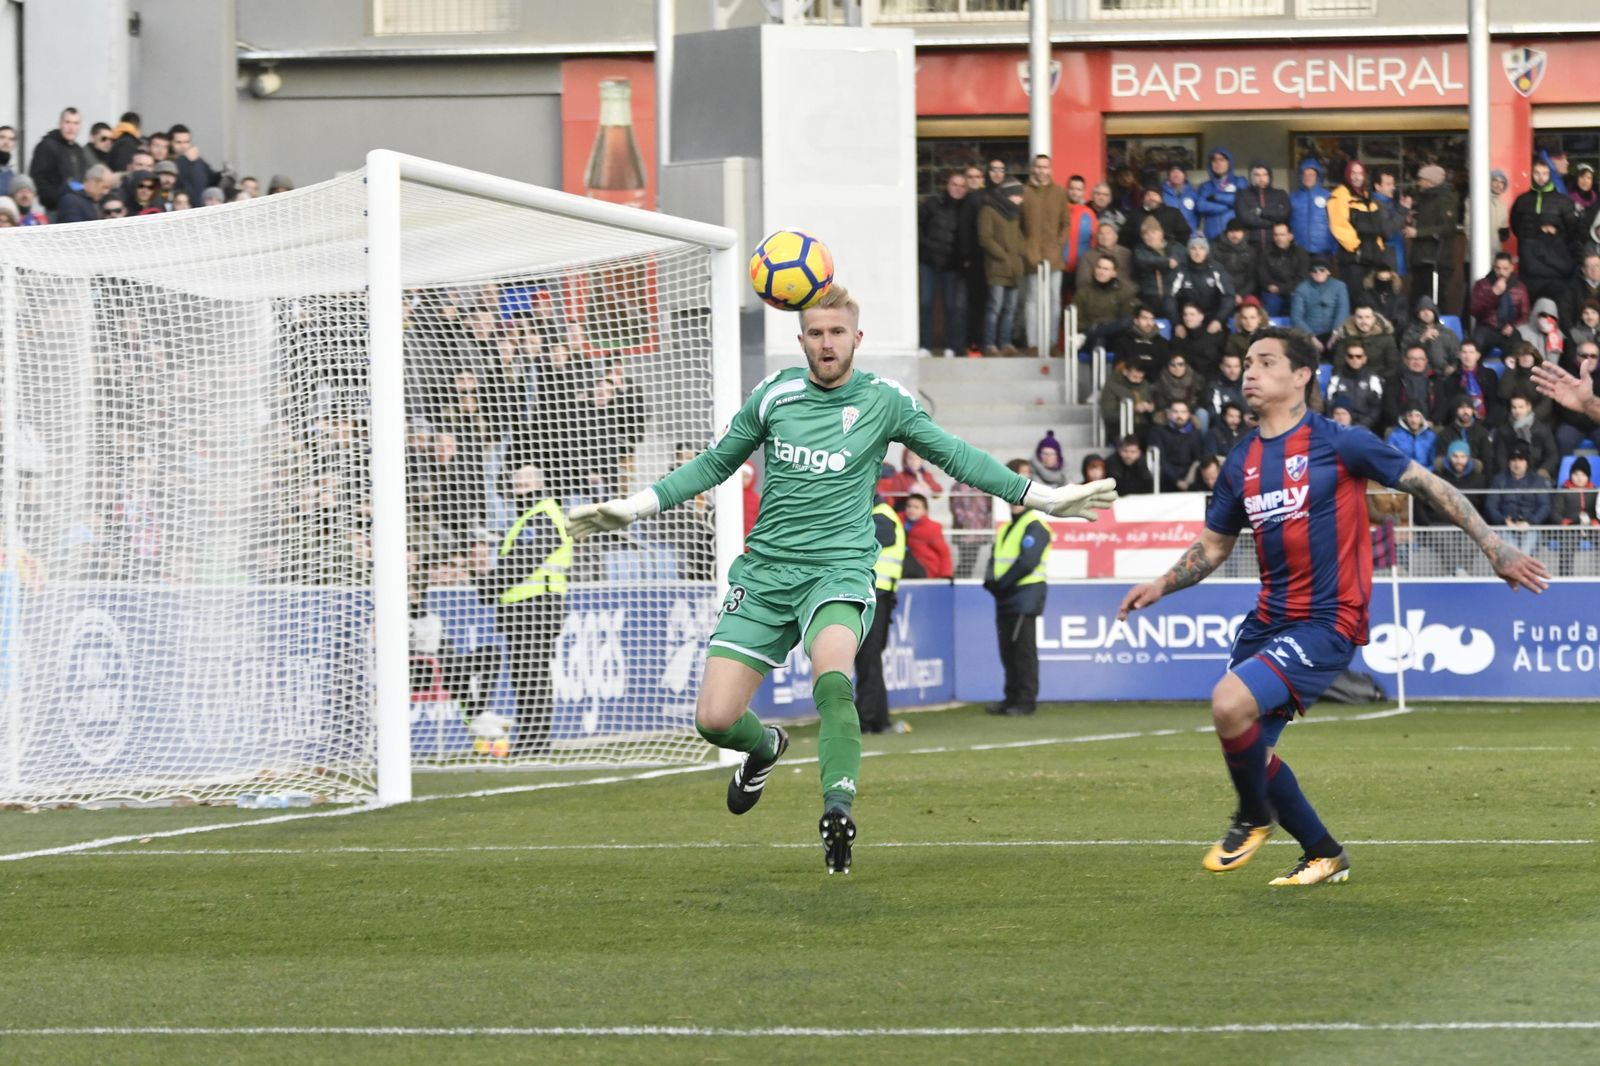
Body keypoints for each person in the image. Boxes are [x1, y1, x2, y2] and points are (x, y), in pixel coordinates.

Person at [565, 285, 1117, 875]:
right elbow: (715, 462)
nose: (826, 344)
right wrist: (638, 504)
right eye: (815, 333)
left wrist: (1046, 498)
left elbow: (956, 456)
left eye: (836, 333)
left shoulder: (885, 401)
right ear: (800, 339)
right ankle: (765, 748)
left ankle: (838, 809)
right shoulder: (773, 396)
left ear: (857, 338)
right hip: (766, 572)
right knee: (715, 720)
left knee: (833, 679)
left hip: (839, 570)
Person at [1117, 326, 1547, 887]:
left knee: (1228, 704)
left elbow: (1428, 484)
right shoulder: (1240, 460)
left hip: (1329, 619)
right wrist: (1161, 584)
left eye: (1265, 362)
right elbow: (1215, 545)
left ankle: (1252, 817)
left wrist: (1494, 546)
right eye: (1247, 362)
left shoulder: (1339, 441)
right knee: (1252, 751)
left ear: (1301, 377)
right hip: (1268, 618)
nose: (1250, 372)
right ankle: (1324, 853)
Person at [471, 462, 571, 758]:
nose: (519, 488)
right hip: (523, 607)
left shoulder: (542, 514)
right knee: (524, 674)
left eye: (525, 483)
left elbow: (526, 557)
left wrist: (489, 587)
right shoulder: (529, 516)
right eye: (516, 483)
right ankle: (529, 740)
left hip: (537, 606)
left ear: (539, 484)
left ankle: (535, 742)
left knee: (532, 674)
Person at [983, 458, 1053, 718]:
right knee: (1008, 651)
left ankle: (1025, 700)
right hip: (1007, 595)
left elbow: (1028, 562)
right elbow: (995, 558)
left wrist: (1001, 584)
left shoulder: (1035, 525)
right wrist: (991, 582)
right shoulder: (1007, 529)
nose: (1013, 502)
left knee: (1022, 650)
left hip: (1024, 594)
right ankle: (1011, 697)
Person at [854, 497, 904, 735]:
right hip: (877, 594)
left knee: (868, 658)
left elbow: (869, 542)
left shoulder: (881, 516)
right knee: (870, 659)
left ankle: (865, 717)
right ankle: (878, 718)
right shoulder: (881, 513)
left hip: (876, 595)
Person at [1512, 159, 1582, 303]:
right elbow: (1516, 226)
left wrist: (1556, 232)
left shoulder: (1563, 201)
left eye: (1545, 173)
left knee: (1554, 307)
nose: (1541, 177)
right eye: (1537, 173)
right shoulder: (1522, 200)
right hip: (1529, 264)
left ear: (1550, 175)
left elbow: (1572, 231)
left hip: (1554, 263)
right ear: (1531, 174)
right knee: (1528, 306)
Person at [919, 170, 972, 357]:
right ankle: (925, 346)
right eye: (954, 184)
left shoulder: (966, 209)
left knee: (952, 307)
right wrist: (927, 247)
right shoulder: (933, 204)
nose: (957, 189)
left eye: (961, 186)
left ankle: (951, 346)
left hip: (952, 266)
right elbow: (918, 227)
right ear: (947, 186)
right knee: (925, 304)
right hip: (928, 262)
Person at [1021, 154, 1069, 356]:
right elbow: (1018, 225)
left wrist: (1058, 244)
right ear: (1033, 169)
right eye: (1038, 167)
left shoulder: (1059, 192)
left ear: (1050, 169)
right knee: (1032, 300)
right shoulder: (1023, 191)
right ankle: (1032, 343)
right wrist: (1025, 248)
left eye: (1045, 167)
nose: (1041, 171)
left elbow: (1065, 223)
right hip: (1031, 255)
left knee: (1054, 300)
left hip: (1054, 257)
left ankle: (1051, 343)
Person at [977, 175, 1027, 355]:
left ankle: (1005, 343)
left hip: (1014, 269)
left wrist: (1022, 251)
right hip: (997, 268)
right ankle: (989, 344)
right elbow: (985, 238)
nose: (1021, 199)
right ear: (1009, 194)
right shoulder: (988, 211)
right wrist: (1003, 256)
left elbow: (1019, 238)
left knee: (1010, 309)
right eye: (1018, 195)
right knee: (995, 307)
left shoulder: (1014, 214)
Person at [1327, 160, 1388, 298]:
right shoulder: (1340, 194)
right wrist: (1357, 247)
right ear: (1347, 174)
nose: (1356, 177)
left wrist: (1379, 247)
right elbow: (1338, 225)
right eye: (1353, 173)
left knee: (1370, 298)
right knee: (1356, 298)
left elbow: (1376, 226)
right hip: (1353, 258)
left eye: (1360, 173)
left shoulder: (1368, 196)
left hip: (1371, 257)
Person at [1486, 443, 1553, 553]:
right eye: (1513, 460)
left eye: (1521, 460)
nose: (1517, 464)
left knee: (1526, 547)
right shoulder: (1499, 480)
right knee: (1510, 547)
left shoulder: (1538, 481)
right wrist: (1504, 521)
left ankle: (1518, 566)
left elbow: (1545, 506)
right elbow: (1490, 506)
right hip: (1506, 527)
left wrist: (1530, 522)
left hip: (1530, 527)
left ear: (1527, 463)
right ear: (1508, 462)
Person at [1408, 164, 1460, 305]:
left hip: (1436, 260)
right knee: (1418, 300)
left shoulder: (1445, 199)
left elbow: (1447, 228)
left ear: (1430, 181)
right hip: (1422, 258)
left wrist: (1418, 232)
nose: (1419, 182)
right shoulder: (1425, 198)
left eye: (1421, 179)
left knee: (1435, 301)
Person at [1468, 252, 1531, 355]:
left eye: (1505, 269)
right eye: (1498, 268)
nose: (1501, 272)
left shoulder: (1520, 288)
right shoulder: (1482, 284)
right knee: (1474, 347)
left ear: (1512, 268)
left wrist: (1513, 326)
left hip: (1510, 329)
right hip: (1487, 327)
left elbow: (1525, 316)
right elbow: (1475, 311)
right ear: (1493, 267)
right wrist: (1493, 294)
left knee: (1519, 350)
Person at [27, 107, 88, 212]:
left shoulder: (79, 150)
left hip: (76, 206)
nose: (71, 127)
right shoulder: (47, 146)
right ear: (60, 124)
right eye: (67, 122)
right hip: (55, 209)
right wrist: (55, 198)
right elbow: (38, 177)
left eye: (75, 123)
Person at [1233, 160, 1290, 259]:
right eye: (1257, 175)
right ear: (1252, 177)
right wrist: (1273, 223)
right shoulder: (1243, 194)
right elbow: (1244, 218)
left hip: (1275, 245)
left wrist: (1260, 212)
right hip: (1249, 245)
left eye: (1264, 174)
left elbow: (1284, 214)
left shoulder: (1280, 194)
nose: (1261, 178)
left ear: (1270, 176)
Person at [1291, 258, 1349, 352]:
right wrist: (1311, 337)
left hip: (1334, 333)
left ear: (1328, 272)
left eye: (1322, 270)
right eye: (1314, 271)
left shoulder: (1340, 286)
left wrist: (1335, 334)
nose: (1318, 273)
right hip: (1310, 333)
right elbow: (1296, 317)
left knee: (1342, 350)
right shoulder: (1301, 288)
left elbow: (1342, 312)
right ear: (1310, 273)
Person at [1324, 341, 1384, 431]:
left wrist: (1361, 426)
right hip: (1340, 427)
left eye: (1358, 356)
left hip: (1366, 428)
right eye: (1350, 356)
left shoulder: (1373, 379)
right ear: (1346, 358)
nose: (1354, 359)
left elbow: (1376, 409)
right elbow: (1329, 406)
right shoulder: (1336, 379)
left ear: (1364, 359)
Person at [1150, 399, 1207, 490]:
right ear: (1168, 414)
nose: (1179, 415)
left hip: (1189, 478)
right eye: (1175, 412)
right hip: (1166, 477)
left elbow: (1198, 460)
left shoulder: (1195, 433)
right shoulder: (1158, 432)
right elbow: (1160, 460)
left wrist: (1188, 479)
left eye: (1183, 412)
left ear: (1188, 415)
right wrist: (1176, 480)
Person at [1258, 222, 1309, 318]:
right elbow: (1262, 276)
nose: (1279, 238)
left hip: (1294, 290)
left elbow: (1302, 277)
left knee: (1298, 302)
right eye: (1276, 235)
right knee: (1271, 304)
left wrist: (1281, 288)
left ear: (1290, 236)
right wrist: (1269, 286)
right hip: (1272, 292)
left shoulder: (1301, 253)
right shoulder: (1265, 253)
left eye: (1282, 235)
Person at [1288, 159, 1336, 258]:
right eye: (1305, 174)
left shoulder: (1329, 197)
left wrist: (1334, 249)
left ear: (1318, 176)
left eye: (1311, 174)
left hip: (1324, 250)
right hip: (1298, 250)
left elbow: (1336, 222)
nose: (1307, 177)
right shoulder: (1292, 198)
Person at [902, 492, 953, 579]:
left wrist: (946, 574)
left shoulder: (932, 528)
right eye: (909, 506)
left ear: (925, 511)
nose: (911, 510)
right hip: (905, 569)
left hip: (926, 571)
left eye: (916, 507)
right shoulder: (898, 521)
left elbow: (944, 553)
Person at [1196, 148, 1240, 241]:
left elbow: (1240, 200)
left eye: (1222, 160)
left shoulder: (1239, 181)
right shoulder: (1205, 186)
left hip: (1233, 235)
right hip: (1211, 236)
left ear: (1229, 163)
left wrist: (1216, 197)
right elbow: (1201, 206)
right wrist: (1228, 206)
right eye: (1214, 160)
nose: (1218, 163)